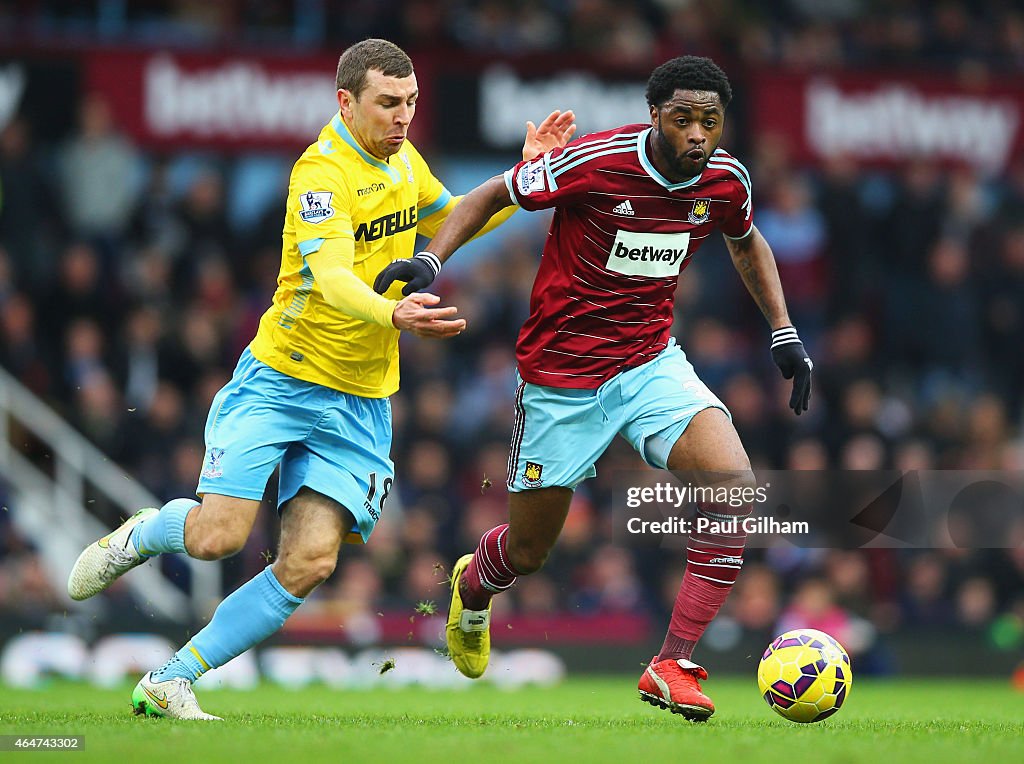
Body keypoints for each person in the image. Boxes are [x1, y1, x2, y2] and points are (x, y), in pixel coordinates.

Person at [66, 38, 575, 721]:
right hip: (282, 381)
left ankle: (171, 678)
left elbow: (453, 215)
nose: (403, 117)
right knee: (217, 535)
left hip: (361, 399)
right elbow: (334, 280)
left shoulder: (403, 161)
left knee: (309, 562)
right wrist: (392, 310)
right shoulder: (321, 173)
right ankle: (143, 534)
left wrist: (522, 175)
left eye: (412, 103)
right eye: (388, 104)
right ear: (347, 102)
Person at [375, 55, 812, 721]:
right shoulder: (594, 163)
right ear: (655, 116)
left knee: (734, 492)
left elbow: (746, 240)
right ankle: (474, 585)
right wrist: (433, 259)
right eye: (683, 119)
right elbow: (493, 192)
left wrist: (782, 329)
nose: (699, 134)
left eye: (711, 121)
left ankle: (671, 663)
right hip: (561, 382)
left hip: (649, 364)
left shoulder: (726, 180)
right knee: (529, 552)